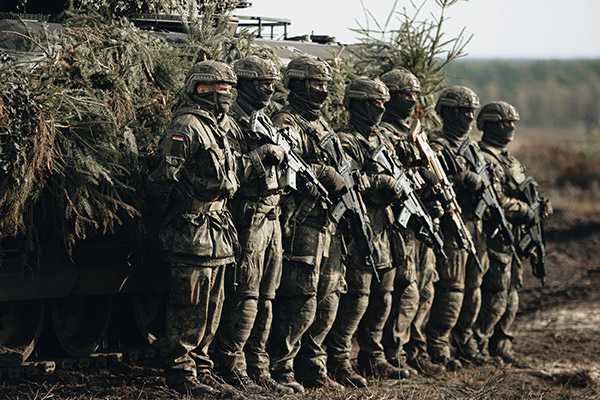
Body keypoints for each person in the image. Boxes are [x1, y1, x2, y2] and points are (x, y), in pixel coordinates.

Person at [146, 60, 240, 396]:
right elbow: (162, 181)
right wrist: (165, 223)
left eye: (229, 88)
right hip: (189, 232)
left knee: (213, 306)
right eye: (221, 88)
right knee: (189, 306)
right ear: (201, 88)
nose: (227, 94)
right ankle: (182, 374)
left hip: (217, 232)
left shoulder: (220, 126)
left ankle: (202, 368)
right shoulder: (185, 126)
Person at [212, 55, 293, 394]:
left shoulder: (266, 122)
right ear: (245, 84)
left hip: (272, 216)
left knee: (267, 298)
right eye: (263, 84)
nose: (269, 90)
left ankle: (259, 366)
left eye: (273, 84)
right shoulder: (231, 123)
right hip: (249, 217)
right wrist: (261, 157)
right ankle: (233, 367)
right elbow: (226, 174)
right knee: (245, 296)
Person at [267, 55, 347, 393]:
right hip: (301, 223)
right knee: (299, 299)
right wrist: (323, 173)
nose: (323, 91)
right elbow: (284, 168)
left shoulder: (323, 125)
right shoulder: (286, 121)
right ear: (297, 84)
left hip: (326, 224)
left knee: (327, 298)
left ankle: (313, 367)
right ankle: (282, 368)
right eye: (316, 84)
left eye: (326, 84)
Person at [326, 77, 406, 386]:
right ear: (357, 104)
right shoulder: (344, 140)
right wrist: (382, 183)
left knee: (382, 299)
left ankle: (374, 358)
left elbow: (396, 176)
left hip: (384, 229)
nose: (381, 108)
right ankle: (339, 361)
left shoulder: (383, 139)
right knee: (357, 301)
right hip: (359, 230)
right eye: (375, 103)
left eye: (384, 103)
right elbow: (353, 182)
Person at [379, 68, 445, 377]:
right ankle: (393, 353)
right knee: (405, 290)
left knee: (425, 289)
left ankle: (415, 351)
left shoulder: (416, 132)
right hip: (399, 222)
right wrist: (417, 175)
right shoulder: (383, 132)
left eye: (413, 95)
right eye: (403, 94)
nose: (410, 100)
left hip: (422, 220)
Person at [474, 101, 550, 363]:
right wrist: (523, 209)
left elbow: (522, 194)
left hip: (514, 239)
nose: (510, 127)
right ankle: (479, 346)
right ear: (489, 125)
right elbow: (494, 200)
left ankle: (502, 346)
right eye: (504, 123)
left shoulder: (511, 160)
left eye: (512, 123)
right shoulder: (484, 158)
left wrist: (537, 206)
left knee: (512, 296)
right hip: (495, 236)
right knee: (495, 296)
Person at [425, 85, 490, 369]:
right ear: (449, 113)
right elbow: (433, 183)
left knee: (474, 288)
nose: (469, 117)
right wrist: (462, 179)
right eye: (464, 111)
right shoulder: (437, 146)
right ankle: (439, 345)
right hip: (453, 224)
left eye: (472, 111)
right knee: (452, 289)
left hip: (476, 225)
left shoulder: (473, 148)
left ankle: (465, 342)